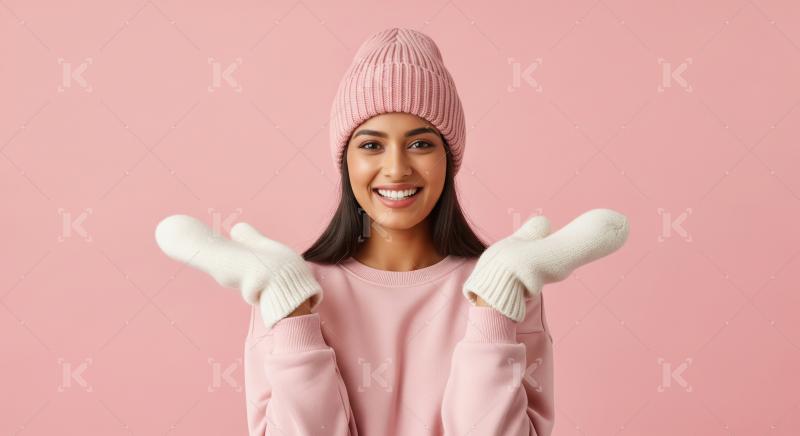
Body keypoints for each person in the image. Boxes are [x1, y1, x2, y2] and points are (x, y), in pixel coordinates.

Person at [154, 27, 629, 436]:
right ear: (347, 161)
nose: (396, 168)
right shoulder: (290, 288)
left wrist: (493, 310)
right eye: (371, 145)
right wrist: (294, 316)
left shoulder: (507, 286)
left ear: (449, 157)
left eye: (421, 143)